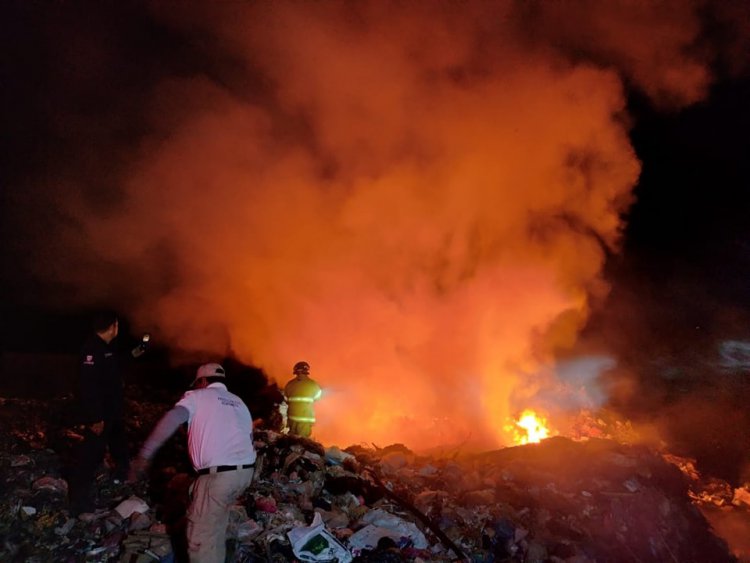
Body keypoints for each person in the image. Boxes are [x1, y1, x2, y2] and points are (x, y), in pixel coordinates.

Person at [129, 363, 256, 563]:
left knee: (200, 539)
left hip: (218, 476)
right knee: (215, 529)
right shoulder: (238, 402)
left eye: (197, 384)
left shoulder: (196, 397)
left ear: (203, 381)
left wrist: (145, 454)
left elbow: (172, 418)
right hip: (244, 474)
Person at [68, 311, 131, 515]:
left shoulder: (105, 349)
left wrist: (142, 349)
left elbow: (120, 366)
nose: (118, 328)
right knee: (90, 457)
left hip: (112, 413)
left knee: (119, 446)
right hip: (100, 416)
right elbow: (88, 386)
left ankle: (120, 477)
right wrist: (95, 417)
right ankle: (79, 502)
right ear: (113, 326)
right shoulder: (92, 350)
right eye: (117, 325)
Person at [284, 361, 322, 438]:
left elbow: (286, 399)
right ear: (307, 370)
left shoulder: (289, 384)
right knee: (303, 441)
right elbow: (317, 398)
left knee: (292, 439)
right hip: (305, 418)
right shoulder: (313, 384)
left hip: (292, 417)